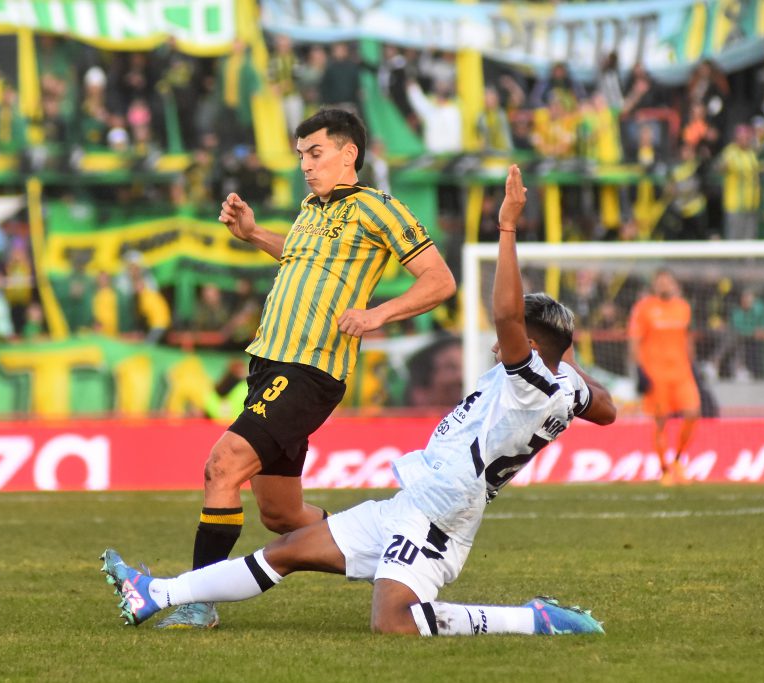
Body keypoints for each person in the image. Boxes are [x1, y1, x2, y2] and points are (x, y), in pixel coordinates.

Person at [101, 165, 617, 636]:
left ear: (530, 347)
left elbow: (505, 316)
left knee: (393, 623)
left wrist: (506, 227)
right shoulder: (563, 386)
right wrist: (567, 359)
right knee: (286, 548)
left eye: (513, 338)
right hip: (415, 500)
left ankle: (531, 619)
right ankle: (156, 594)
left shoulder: (527, 382)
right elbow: (607, 408)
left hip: (440, 515)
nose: (497, 341)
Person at [155, 108, 456, 629]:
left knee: (222, 466)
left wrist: (377, 314)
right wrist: (254, 234)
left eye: (315, 153)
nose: (306, 165)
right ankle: (388, 546)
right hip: (268, 363)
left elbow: (440, 279)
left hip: (309, 368)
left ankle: (196, 601)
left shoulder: (378, 208)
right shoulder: (311, 209)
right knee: (281, 515)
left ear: (348, 153)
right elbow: (301, 257)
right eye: (301, 156)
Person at [628, 270, 700, 485]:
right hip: (656, 374)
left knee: (693, 412)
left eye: (668, 282)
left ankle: (678, 459)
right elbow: (634, 340)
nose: (664, 285)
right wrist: (639, 370)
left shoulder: (683, 307)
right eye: (660, 282)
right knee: (661, 421)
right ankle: (665, 470)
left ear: (675, 284)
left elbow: (687, 338)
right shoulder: (644, 308)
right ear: (654, 285)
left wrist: (694, 365)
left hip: (682, 372)